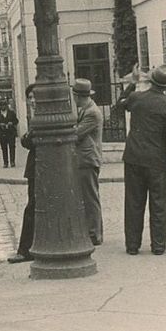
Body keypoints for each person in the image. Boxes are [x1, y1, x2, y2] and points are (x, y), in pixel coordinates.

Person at [117, 64, 166, 255]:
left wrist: (132, 84)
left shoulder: (136, 98)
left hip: (133, 157)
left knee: (133, 203)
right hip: (156, 160)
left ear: (151, 81)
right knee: (159, 203)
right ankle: (158, 245)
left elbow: (120, 102)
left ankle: (132, 245)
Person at [72, 79, 104, 246]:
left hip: (88, 159)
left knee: (90, 197)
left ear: (78, 96)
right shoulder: (86, 110)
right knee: (89, 196)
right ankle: (94, 231)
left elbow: (77, 134)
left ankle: (94, 234)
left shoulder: (92, 112)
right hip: (86, 158)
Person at [8, 85, 37, 263]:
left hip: (39, 169)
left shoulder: (41, 117)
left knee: (32, 210)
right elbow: (26, 139)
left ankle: (25, 250)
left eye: (34, 97)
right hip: (35, 169)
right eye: (30, 97)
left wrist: (26, 139)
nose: (32, 101)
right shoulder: (35, 117)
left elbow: (28, 140)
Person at [0, 99, 19, 168]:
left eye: (4, 105)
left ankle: (12, 161)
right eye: (1, 105)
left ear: (6, 106)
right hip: (2, 133)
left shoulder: (11, 113)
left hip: (10, 132)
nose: (3, 107)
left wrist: (11, 123)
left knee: (12, 147)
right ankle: (5, 162)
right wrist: (0, 125)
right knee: (4, 148)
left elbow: (16, 121)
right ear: (0, 106)